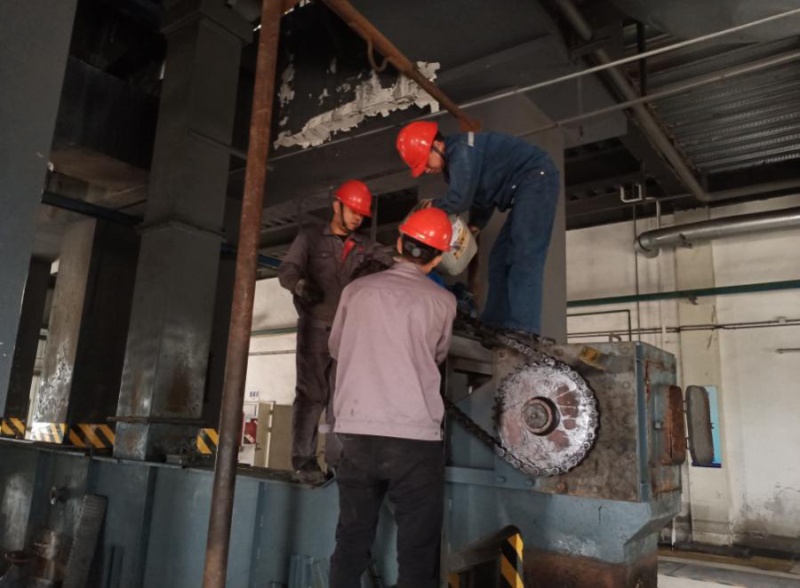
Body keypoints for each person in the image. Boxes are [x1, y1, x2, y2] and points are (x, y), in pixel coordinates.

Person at [328, 208, 457, 588]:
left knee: (351, 542)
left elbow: (336, 347)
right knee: (417, 554)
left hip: (356, 434)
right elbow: (438, 355)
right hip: (414, 440)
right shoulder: (443, 301)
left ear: (399, 243)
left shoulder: (355, 291)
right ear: (438, 257)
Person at [396, 120, 560, 340]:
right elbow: (482, 197)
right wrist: (475, 226)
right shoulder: (456, 162)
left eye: (425, 162)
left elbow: (459, 200)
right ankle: (493, 324)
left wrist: (433, 206)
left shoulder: (462, 150)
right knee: (498, 259)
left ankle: (524, 328)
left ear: (436, 145)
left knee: (525, 252)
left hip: (537, 180)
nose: (426, 169)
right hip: (524, 189)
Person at [278, 180, 392, 485]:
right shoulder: (310, 237)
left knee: (342, 399)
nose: (357, 218)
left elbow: (396, 265)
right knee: (311, 395)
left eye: (361, 214)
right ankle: (304, 461)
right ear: (336, 206)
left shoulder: (366, 247)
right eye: (353, 211)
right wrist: (300, 285)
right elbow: (287, 270)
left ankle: (337, 462)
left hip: (349, 333)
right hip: (315, 328)